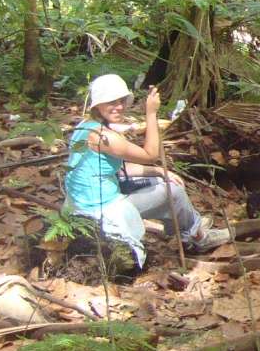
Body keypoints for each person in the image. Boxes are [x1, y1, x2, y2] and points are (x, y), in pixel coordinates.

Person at [64, 75, 229, 268]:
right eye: (111, 102)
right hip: (100, 209)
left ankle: (190, 224)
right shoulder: (105, 137)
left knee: (159, 180)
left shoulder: (85, 127)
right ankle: (197, 237)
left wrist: (158, 171)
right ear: (98, 106)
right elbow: (151, 154)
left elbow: (118, 168)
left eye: (121, 101)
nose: (119, 106)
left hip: (85, 201)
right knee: (172, 192)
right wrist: (151, 114)